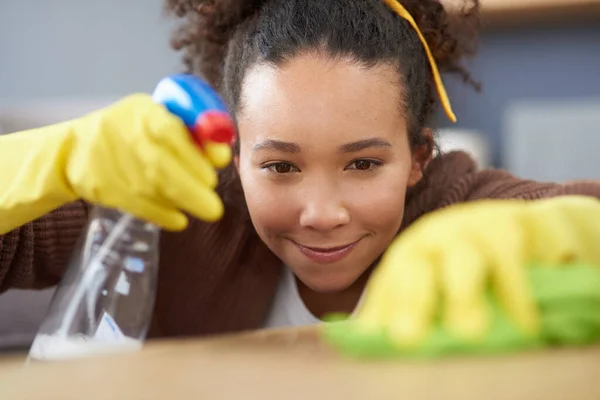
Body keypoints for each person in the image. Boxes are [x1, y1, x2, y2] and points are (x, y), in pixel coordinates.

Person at [1, 0, 599, 347]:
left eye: (363, 163)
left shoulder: (459, 204)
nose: (321, 213)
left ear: (419, 159)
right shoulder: (174, 200)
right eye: (280, 165)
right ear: (235, 157)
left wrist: (567, 229)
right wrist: (44, 163)